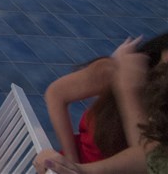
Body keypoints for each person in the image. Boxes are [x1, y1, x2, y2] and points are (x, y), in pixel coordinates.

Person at [37, 33, 168, 170]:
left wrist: (129, 92)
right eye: (163, 70)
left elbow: (149, 161)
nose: (162, 80)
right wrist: (71, 161)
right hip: (79, 164)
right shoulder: (122, 71)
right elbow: (56, 93)